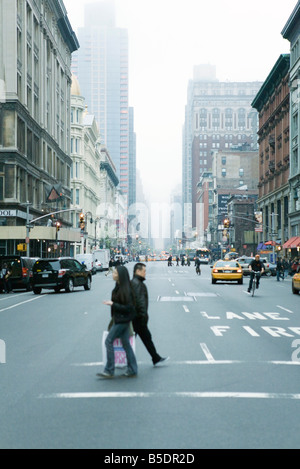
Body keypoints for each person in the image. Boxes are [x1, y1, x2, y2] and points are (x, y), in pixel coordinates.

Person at [98, 265, 138, 378]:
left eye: (115, 273)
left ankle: (109, 370)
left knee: (108, 341)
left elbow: (129, 308)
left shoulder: (126, 290)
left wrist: (113, 304)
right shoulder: (118, 287)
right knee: (126, 345)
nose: (113, 274)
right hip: (119, 319)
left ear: (120, 276)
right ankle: (133, 369)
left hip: (122, 321)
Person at [131, 263, 169, 367]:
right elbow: (140, 302)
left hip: (136, 318)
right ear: (138, 271)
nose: (145, 273)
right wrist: (143, 317)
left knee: (146, 338)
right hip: (138, 318)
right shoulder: (138, 284)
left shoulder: (135, 282)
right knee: (132, 341)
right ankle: (123, 361)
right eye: (144, 271)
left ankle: (155, 357)